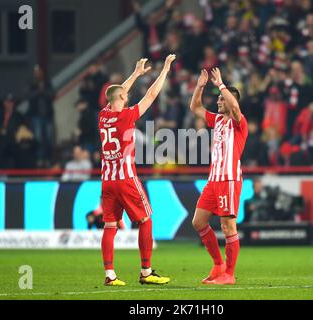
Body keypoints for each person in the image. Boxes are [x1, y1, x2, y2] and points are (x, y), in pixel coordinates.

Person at [99, 54, 176, 286]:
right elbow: (151, 95)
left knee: (110, 226)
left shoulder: (103, 116)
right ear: (122, 97)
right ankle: (146, 271)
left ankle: (110, 275)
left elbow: (117, 92)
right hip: (125, 179)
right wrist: (165, 70)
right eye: (125, 94)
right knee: (146, 220)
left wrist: (135, 73)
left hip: (107, 180)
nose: (127, 94)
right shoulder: (126, 116)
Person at [189, 68, 248, 285]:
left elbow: (235, 107)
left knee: (228, 226)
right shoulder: (217, 120)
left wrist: (222, 84)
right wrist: (201, 85)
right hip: (213, 180)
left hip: (229, 179)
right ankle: (218, 265)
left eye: (222, 99)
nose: (218, 102)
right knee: (198, 222)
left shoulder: (239, 122)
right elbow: (195, 107)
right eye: (218, 99)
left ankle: (229, 275)